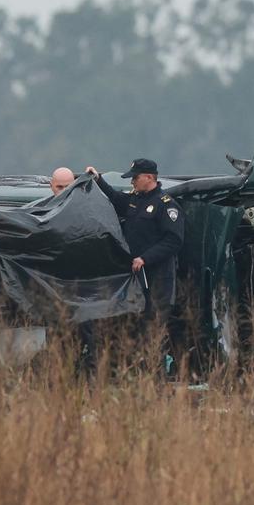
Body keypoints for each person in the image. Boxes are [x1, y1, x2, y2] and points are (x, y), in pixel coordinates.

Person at [86, 159, 184, 373]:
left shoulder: (166, 204)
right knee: (136, 326)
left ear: (149, 177)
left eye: (135, 177)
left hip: (158, 278)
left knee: (154, 328)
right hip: (137, 279)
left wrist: (145, 258)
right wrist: (98, 179)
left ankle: (156, 377)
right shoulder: (134, 201)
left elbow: (173, 240)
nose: (132, 181)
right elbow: (115, 198)